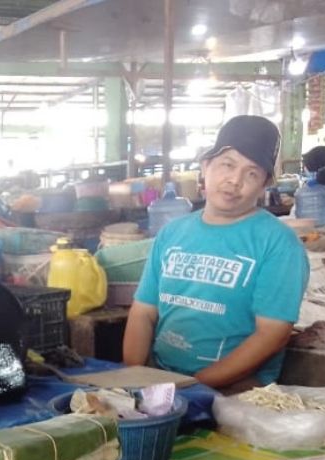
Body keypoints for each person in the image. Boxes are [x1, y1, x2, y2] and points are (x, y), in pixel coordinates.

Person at [123, 115, 310, 393]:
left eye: (252, 173)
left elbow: (272, 333)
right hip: (160, 381)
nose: (235, 181)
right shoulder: (172, 233)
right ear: (205, 166)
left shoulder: (278, 243)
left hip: (235, 392)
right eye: (227, 164)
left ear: (265, 184)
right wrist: (135, 378)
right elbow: (143, 312)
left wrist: (195, 386)